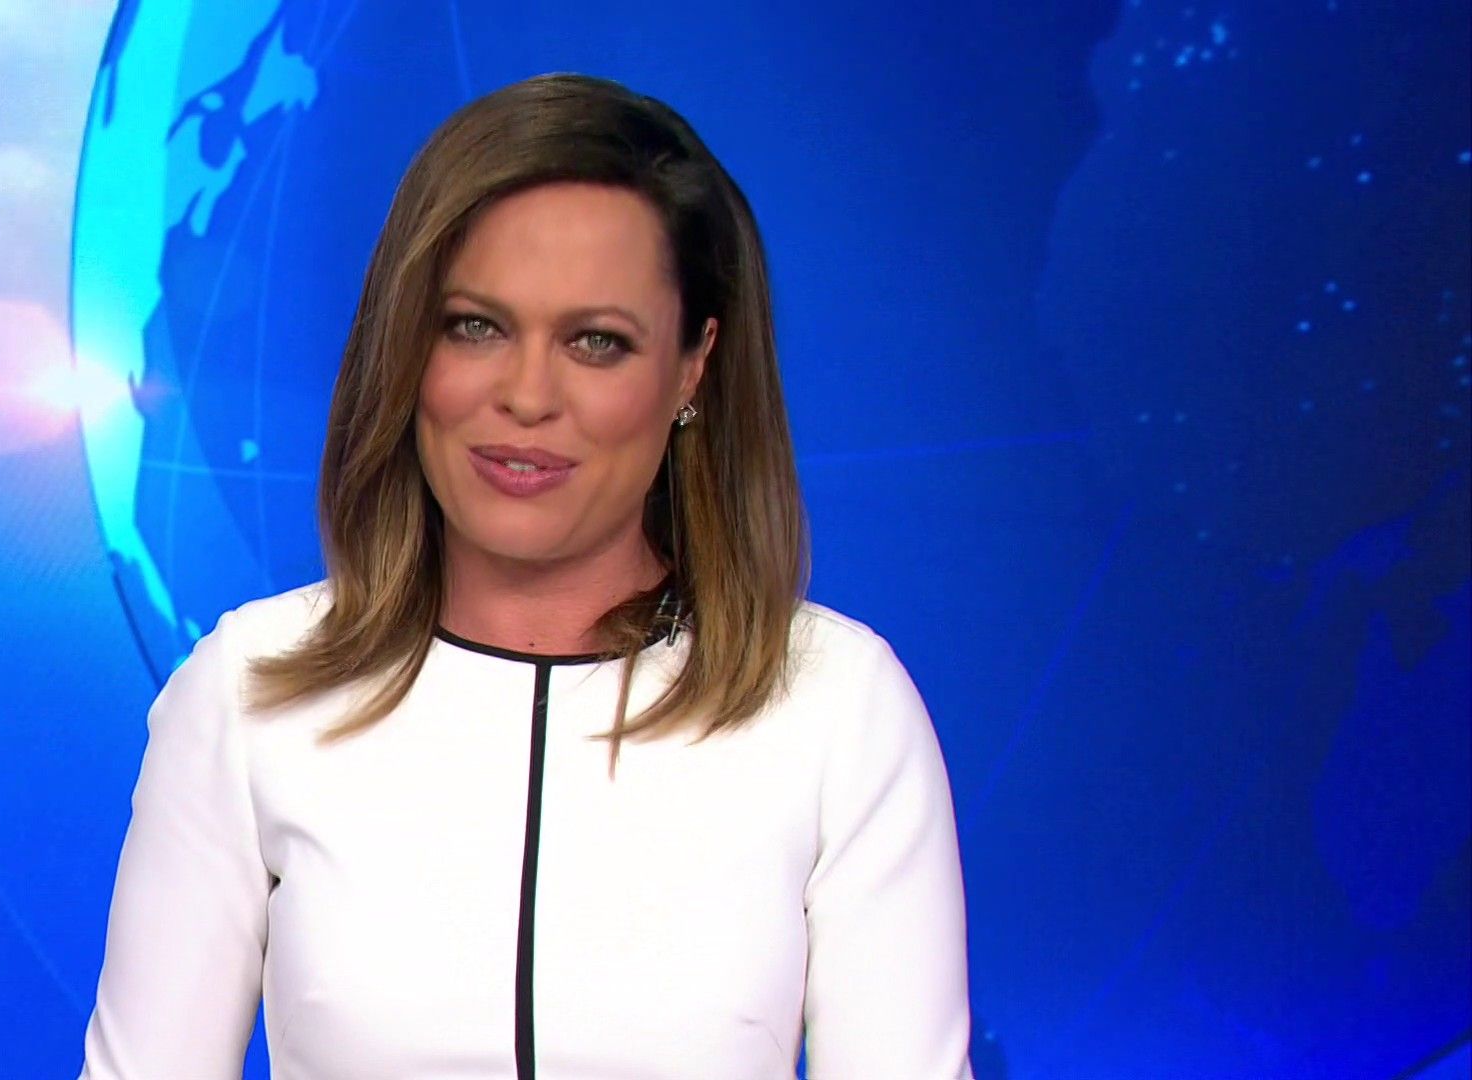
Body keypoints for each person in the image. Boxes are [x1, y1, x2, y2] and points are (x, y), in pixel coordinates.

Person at [79, 72, 973, 1080]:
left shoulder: (837, 709)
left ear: (693, 365)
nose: (527, 396)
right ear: (408, 342)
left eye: (598, 342)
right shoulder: (249, 691)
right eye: (476, 326)